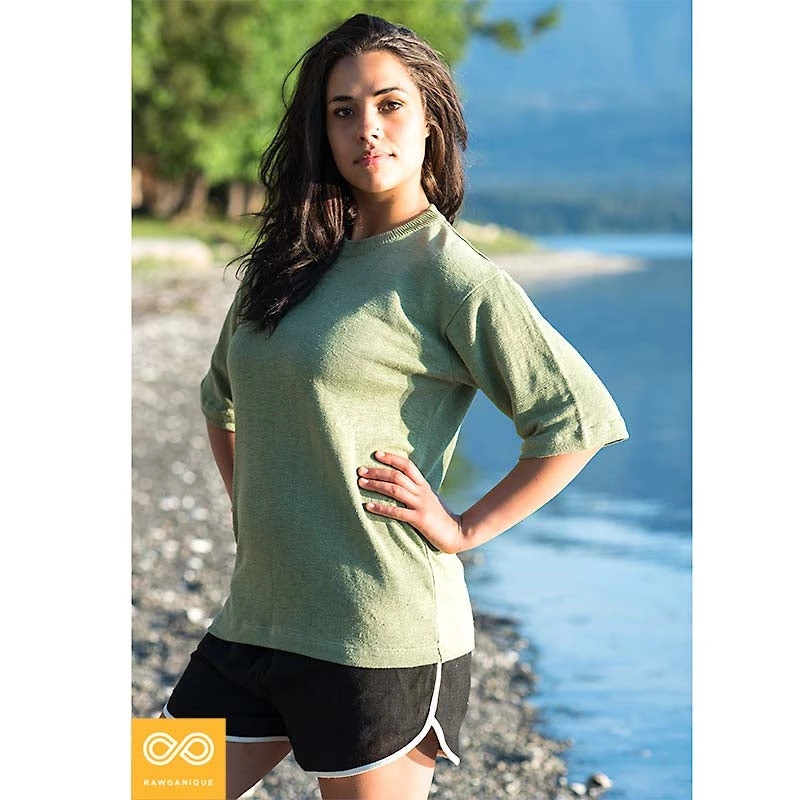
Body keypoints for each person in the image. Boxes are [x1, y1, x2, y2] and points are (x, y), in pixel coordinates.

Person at [160, 12, 628, 800]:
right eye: (343, 110)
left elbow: (575, 419)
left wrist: (463, 529)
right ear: (321, 130)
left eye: (389, 104)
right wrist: (259, 510)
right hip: (255, 624)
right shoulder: (281, 266)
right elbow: (222, 401)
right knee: (151, 787)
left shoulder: (452, 277)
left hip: (379, 637)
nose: (367, 128)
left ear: (430, 122)